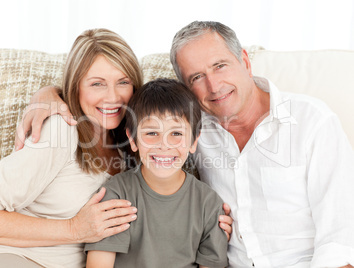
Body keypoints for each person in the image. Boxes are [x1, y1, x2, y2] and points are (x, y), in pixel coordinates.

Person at [18, 21, 354, 267]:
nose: (213, 85)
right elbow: (132, 106)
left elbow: (340, 237)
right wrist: (49, 95)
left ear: (246, 61)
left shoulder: (312, 123)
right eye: (196, 77)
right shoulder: (190, 125)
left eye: (220, 66)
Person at [0, 28, 143, 268]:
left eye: (123, 82)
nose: (112, 97)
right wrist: (74, 229)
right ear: (75, 87)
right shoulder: (60, 130)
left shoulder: (134, 146)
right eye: (97, 84)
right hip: (10, 257)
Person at [85, 78, 229, 268]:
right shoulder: (116, 194)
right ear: (133, 140)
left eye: (176, 134)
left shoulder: (209, 204)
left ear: (194, 141)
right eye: (152, 133)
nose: (164, 144)